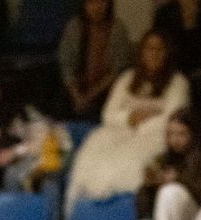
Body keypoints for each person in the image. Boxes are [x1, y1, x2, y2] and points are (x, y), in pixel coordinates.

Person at [63, 29, 189, 210]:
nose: (153, 54)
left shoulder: (178, 82)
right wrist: (130, 118)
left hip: (154, 136)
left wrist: (144, 124)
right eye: (149, 49)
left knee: (130, 164)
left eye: (159, 49)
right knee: (92, 157)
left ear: (167, 53)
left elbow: (174, 117)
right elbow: (108, 114)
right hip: (118, 133)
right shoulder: (127, 78)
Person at [134, 107, 201, 220]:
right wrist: (149, 187)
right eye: (170, 134)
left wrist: (179, 179)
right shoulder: (164, 159)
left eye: (181, 134)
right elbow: (144, 211)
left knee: (171, 192)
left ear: (194, 133)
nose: (174, 140)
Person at [57, 0, 132, 122]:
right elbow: (66, 64)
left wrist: (89, 96)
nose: (97, 7)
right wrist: (76, 96)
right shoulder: (74, 27)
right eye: (91, 2)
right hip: (74, 89)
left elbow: (117, 71)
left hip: (105, 91)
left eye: (101, 2)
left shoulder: (118, 29)